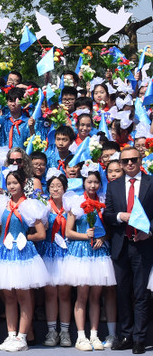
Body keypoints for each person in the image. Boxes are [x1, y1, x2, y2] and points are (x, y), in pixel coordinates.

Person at [0, 170, 48, 352]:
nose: (12, 186)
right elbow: (0, 231)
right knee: (9, 295)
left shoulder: (29, 206)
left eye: (15, 183)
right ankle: (11, 335)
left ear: (23, 183)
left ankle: (22, 337)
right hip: (3, 252)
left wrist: (26, 237)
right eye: (9, 183)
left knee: (23, 295)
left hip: (21, 253)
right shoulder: (1, 205)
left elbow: (41, 234)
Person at [104, 146, 153, 353]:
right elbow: (107, 214)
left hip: (143, 245)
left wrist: (150, 231)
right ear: (121, 164)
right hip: (121, 245)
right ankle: (125, 336)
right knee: (123, 293)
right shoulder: (113, 186)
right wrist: (119, 216)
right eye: (125, 161)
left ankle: (140, 338)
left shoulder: (151, 183)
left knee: (141, 293)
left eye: (134, 159)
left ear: (140, 160)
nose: (130, 163)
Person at [64, 169, 117, 351]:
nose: (93, 185)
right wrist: (85, 235)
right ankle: (81, 336)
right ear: (83, 183)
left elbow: (109, 230)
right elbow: (68, 232)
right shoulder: (75, 202)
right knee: (82, 295)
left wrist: (102, 237)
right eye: (89, 182)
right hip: (81, 253)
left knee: (96, 296)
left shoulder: (103, 202)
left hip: (99, 252)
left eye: (96, 182)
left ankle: (94, 335)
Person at [38, 173, 72, 347]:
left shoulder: (70, 206)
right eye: (52, 186)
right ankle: (52, 331)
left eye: (59, 186)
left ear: (65, 188)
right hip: (48, 251)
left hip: (66, 252)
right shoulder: (43, 206)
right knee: (50, 293)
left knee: (65, 294)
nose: (56, 189)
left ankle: (65, 332)